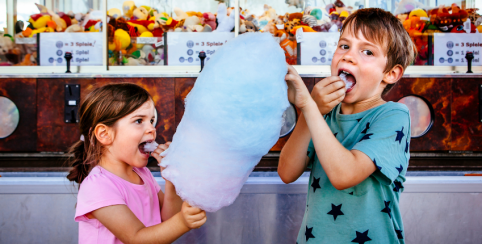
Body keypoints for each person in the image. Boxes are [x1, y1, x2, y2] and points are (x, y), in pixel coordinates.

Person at [280, 8, 415, 243]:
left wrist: (310, 107)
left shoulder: (393, 116)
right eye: (344, 46)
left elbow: (345, 175)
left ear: (391, 73)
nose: (349, 56)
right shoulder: (324, 114)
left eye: (367, 51)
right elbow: (287, 172)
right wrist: (310, 111)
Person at [66, 83, 206, 244]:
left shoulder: (142, 174)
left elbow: (165, 222)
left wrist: (171, 181)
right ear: (104, 134)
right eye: (139, 121)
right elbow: (136, 238)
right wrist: (182, 222)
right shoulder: (98, 186)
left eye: (152, 120)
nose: (152, 129)